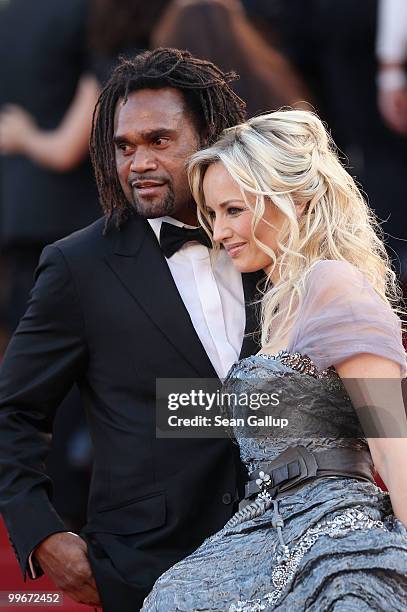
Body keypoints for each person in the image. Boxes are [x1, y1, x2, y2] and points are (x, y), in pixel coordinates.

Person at [0, 48, 263, 611]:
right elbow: (11, 413)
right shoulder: (78, 265)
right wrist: (42, 536)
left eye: (159, 141)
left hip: (284, 550)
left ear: (209, 137)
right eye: (124, 146)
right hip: (144, 566)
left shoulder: (272, 245)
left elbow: (359, 401)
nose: (137, 162)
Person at [141, 110, 407, 611]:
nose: (219, 232)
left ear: (297, 201)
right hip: (265, 528)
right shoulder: (283, 304)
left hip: (334, 538)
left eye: (234, 210)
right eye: (212, 214)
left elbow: (393, 449)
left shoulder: (333, 283)